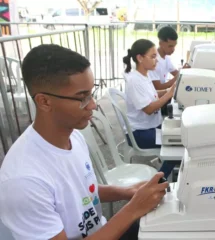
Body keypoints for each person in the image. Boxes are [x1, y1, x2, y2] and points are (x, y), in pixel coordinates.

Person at [0, 44, 169, 240]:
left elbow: (79, 193)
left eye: (92, 93)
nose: (93, 105)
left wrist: (126, 192)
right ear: (44, 101)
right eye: (82, 97)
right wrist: (132, 209)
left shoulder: (73, 136)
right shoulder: (24, 180)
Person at [123, 39, 178, 179]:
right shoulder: (135, 80)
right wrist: (170, 94)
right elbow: (148, 108)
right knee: (177, 146)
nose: (156, 61)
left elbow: (152, 95)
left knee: (179, 136)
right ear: (140, 58)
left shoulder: (144, 75)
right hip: (140, 133)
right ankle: (159, 181)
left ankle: (166, 175)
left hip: (151, 127)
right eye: (153, 57)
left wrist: (169, 90)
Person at [149, 26, 179, 91]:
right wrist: (179, 76)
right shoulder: (152, 61)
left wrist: (185, 72)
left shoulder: (166, 58)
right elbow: (158, 87)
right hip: (155, 97)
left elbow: (175, 73)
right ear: (160, 44)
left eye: (174, 46)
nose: (173, 49)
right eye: (170, 46)